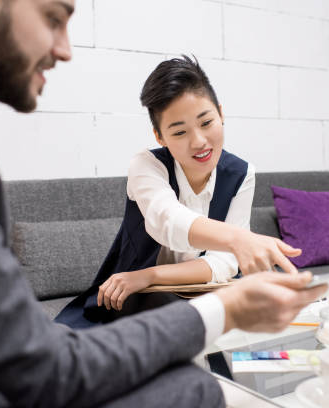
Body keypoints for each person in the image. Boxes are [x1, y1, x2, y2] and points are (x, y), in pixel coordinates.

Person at [0, 0, 328, 407]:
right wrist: (226, 306)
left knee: (199, 384)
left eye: (206, 122)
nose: (66, 49)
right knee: (199, 389)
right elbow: (40, 367)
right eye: (53, 17)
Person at [56, 56, 304, 328]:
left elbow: (223, 264)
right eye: (179, 132)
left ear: (220, 114)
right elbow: (168, 221)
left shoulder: (242, 174)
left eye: (206, 122)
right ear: (159, 136)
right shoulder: (147, 166)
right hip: (133, 294)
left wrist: (151, 275)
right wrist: (238, 239)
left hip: (195, 290)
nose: (198, 142)